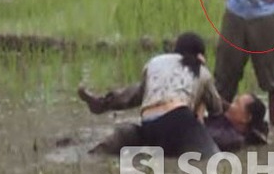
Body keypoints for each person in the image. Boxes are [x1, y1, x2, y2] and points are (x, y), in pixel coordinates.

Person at [79, 32, 222, 157]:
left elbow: (138, 94)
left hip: (149, 124)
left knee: (134, 136)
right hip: (179, 121)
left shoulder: (154, 62)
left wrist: (109, 103)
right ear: (200, 56)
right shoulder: (202, 71)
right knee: (213, 158)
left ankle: (103, 106)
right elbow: (217, 108)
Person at [80, 91, 269, 154]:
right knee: (125, 133)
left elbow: (200, 139)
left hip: (168, 145)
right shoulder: (225, 117)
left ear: (246, 118)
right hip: (165, 130)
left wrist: (200, 112)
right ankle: (88, 152)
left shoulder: (233, 138)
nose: (232, 104)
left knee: (126, 136)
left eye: (237, 103)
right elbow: (218, 101)